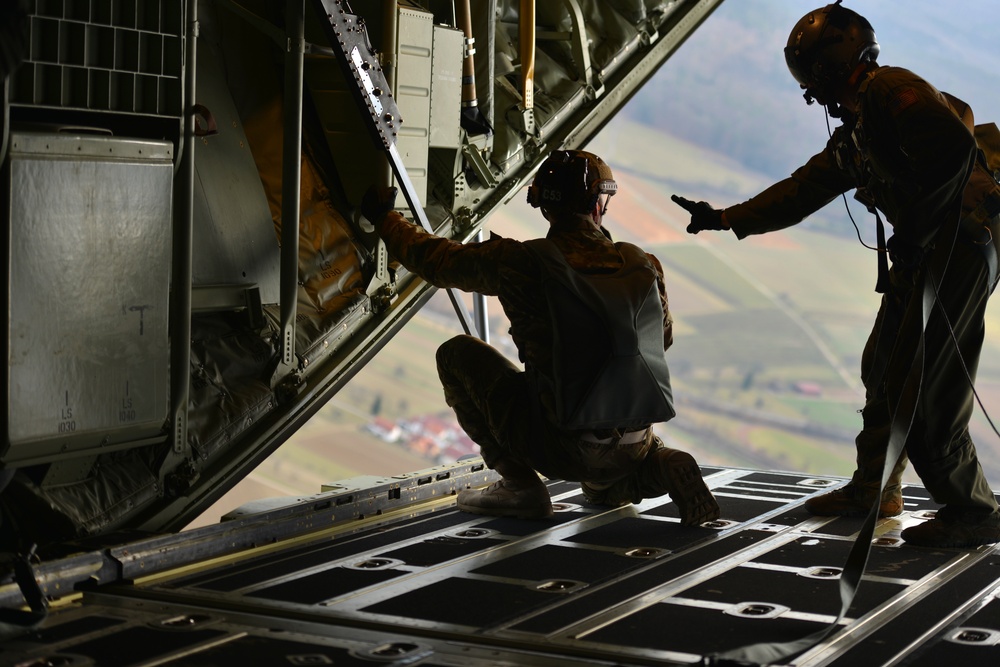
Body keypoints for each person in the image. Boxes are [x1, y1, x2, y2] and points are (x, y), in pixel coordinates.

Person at [672, 1, 1000, 548]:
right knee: (884, 367)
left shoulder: (889, 89)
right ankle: (875, 488)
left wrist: (916, 232)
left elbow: (951, 154)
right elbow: (803, 189)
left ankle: (971, 510)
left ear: (821, 72)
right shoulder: (860, 131)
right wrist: (727, 218)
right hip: (928, 253)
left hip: (956, 252)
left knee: (926, 386)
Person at [361, 150, 720, 525]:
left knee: (455, 354)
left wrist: (386, 218)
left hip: (558, 446)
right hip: (635, 443)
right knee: (602, 490)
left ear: (545, 207)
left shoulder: (521, 261)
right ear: (599, 204)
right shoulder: (643, 264)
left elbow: (434, 260)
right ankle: (660, 465)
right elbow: (662, 339)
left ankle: (520, 485)